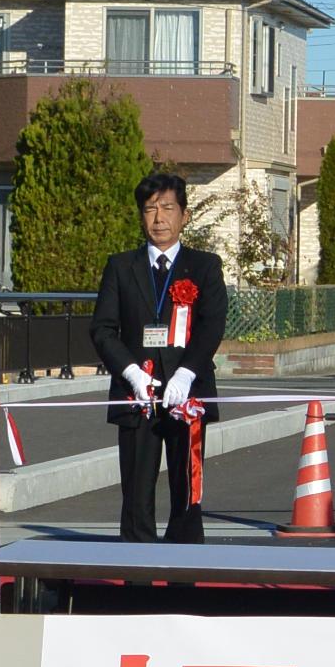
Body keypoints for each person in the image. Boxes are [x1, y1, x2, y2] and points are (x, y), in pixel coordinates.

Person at [90, 172, 229, 543]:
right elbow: (103, 328)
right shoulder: (121, 266)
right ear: (141, 215)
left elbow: (212, 325)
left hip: (187, 396)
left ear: (184, 215)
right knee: (136, 494)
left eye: (167, 208)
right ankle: (138, 584)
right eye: (150, 209)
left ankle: (183, 579)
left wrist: (185, 374)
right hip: (138, 396)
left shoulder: (205, 266)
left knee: (186, 492)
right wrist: (131, 372)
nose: (158, 219)